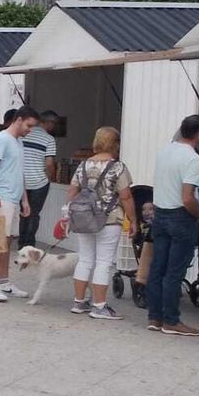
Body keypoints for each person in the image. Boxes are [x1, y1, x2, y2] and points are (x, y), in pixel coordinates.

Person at [64, 127, 136, 319]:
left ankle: (79, 302)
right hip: (110, 219)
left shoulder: (83, 165)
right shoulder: (118, 167)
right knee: (104, 262)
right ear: (115, 143)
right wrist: (133, 219)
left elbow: (72, 190)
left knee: (85, 259)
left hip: (84, 217)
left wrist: (67, 212)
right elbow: (126, 196)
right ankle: (99, 306)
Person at [146, 114, 199, 337]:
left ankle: (155, 316)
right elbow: (188, 197)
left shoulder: (164, 151)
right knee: (174, 271)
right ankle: (171, 319)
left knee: (158, 267)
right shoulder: (193, 159)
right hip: (181, 216)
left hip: (160, 213)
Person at [0, 107, 39, 302]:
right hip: (1, 197)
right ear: (19, 120)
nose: (30, 130)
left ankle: (3, 282)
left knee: (6, 241)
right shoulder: (1, 139)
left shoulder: (18, 142)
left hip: (13, 197)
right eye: (29, 125)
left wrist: (24, 199)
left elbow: (18, 171)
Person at [19, 109, 59, 249]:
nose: (54, 127)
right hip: (39, 182)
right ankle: (29, 244)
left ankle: (20, 243)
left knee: (23, 212)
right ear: (49, 123)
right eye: (54, 124)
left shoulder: (23, 134)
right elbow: (49, 163)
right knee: (34, 214)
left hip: (21, 181)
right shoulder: (49, 139)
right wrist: (49, 178)